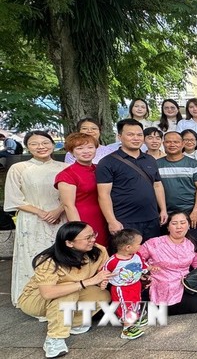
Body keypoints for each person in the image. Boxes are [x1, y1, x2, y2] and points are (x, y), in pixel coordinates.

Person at [17, 222, 111, 358]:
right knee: (67, 294)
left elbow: (106, 271)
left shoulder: (99, 251)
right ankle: (54, 339)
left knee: (102, 295)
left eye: (93, 234)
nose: (93, 239)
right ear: (69, 243)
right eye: (87, 238)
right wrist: (88, 282)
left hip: (74, 292)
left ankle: (71, 323)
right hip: (35, 298)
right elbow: (48, 293)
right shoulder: (48, 260)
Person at [5, 131, 66, 306]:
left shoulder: (63, 168)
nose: (41, 147)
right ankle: (34, 301)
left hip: (59, 217)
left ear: (53, 145)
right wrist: (40, 212)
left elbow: (70, 195)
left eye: (45, 142)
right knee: (34, 257)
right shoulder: (19, 168)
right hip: (32, 220)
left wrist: (58, 210)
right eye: (34, 143)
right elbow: (14, 199)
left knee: (59, 256)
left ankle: (60, 297)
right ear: (27, 147)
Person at [97, 119, 168, 240]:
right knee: (127, 257)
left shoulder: (150, 159)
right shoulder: (107, 162)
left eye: (139, 135)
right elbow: (104, 194)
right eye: (130, 134)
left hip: (152, 219)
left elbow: (157, 185)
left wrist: (163, 210)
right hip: (124, 221)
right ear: (120, 136)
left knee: (151, 256)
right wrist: (112, 221)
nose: (136, 138)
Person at [139, 212, 197, 315]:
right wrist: (146, 272)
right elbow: (136, 259)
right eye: (174, 223)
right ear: (168, 227)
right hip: (161, 286)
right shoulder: (154, 243)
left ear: (188, 225)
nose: (179, 227)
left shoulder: (191, 244)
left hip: (185, 285)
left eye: (182, 223)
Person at [55, 133, 109, 248]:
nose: (86, 151)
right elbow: (68, 205)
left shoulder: (100, 168)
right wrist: (80, 230)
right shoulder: (67, 175)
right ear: (72, 152)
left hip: (105, 215)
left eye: (90, 147)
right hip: (84, 217)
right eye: (79, 148)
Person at [157, 130, 197, 243]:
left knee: (193, 245)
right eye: (168, 142)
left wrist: (196, 210)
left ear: (182, 144)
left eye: (176, 142)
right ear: (163, 144)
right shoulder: (156, 164)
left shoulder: (193, 164)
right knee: (167, 246)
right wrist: (162, 210)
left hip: (189, 212)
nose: (172, 145)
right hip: (166, 213)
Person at [104, 229, 150, 339]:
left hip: (135, 284)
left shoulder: (136, 255)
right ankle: (127, 328)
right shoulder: (113, 261)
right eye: (139, 244)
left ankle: (135, 317)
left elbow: (142, 265)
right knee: (124, 306)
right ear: (128, 247)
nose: (141, 246)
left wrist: (144, 273)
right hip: (121, 288)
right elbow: (105, 272)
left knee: (135, 302)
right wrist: (103, 282)